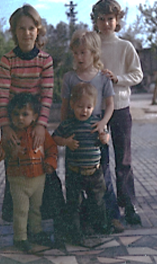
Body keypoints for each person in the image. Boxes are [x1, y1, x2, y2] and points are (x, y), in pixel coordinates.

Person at [60, 30, 124, 233]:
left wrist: (103, 123)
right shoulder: (69, 78)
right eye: (76, 53)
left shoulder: (103, 78)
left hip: (96, 136)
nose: (79, 57)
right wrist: (66, 132)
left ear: (94, 53)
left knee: (103, 177)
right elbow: (63, 108)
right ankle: (78, 223)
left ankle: (110, 217)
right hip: (75, 138)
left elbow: (110, 105)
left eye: (83, 53)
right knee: (75, 183)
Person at [0, 4, 54, 223]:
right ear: (14, 31)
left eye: (31, 28)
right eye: (22, 28)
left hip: (35, 123)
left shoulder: (45, 61)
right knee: (14, 171)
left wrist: (40, 126)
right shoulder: (7, 60)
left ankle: (38, 222)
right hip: (14, 123)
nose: (27, 33)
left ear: (38, 30)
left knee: (39, 171)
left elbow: (47, 95)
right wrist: (6, 127)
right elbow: (2, 95)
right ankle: (17, 223)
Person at [91, 0, 143, 225]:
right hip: (96, 111)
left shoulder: (125, 46)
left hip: (120, 108)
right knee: (99, 160)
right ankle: (105, 206)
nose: (105, 24)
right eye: (101, 19)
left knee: (123, 159)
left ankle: (128, 204)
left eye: (110, 19)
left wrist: (118, 78)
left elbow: (137, 74)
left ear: (118, 19)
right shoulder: (92, 45)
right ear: (95, 21)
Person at [0, 93, 58, 252]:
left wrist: (50, 163)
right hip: (18, 179)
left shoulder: (40, 134)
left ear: (35, 116)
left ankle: (36, 231)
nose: (20, 118)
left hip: (38, 178)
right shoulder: (10, 135)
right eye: (16, 114)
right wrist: (0, 153)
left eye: (25, 114)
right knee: (21, 209)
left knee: (36, 208)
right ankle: (20, 237)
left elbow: (52, 149)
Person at [53, 83, 109, 245]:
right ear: (72, 105)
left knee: (97, 201)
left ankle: (92, 226)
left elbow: (106, 136)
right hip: (75, 172)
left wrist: (104, 138)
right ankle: (75, 232)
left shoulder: (97, 123)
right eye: (80, 106)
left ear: (94, 107)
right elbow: (54, 137)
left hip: (94, 172)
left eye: (88, 107)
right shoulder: (68, 124)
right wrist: (66, 142)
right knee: (74, 203)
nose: (84, 110)